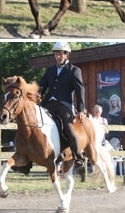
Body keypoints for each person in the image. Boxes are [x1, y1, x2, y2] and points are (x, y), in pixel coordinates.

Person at [38, 41, 87, 170]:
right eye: (56, 54)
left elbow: (79, 90)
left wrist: (81, 109)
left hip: (63, 104)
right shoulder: (50, 70)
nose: (58, 57)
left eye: (60, 54)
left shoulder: (74, 70)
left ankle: (78, 157)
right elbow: (41, 86)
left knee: (68, 127)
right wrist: (35, 96)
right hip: (48, 103)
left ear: (67, 55)